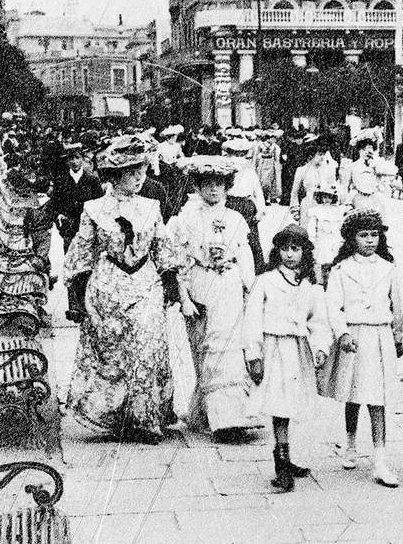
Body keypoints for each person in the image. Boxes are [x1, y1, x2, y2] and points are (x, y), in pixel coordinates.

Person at [62, 135, 181, 442]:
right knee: (113, 352)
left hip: (144, 284)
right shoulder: (93, 209)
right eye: (131, 172)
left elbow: (163, 248)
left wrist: (171, 286)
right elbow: (81, 253)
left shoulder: (151, 207)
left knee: (145, 348)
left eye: (142, 169)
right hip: (108, 286)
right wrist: (76, 296)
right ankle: (115, 415)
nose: (140, 177)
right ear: (115, 176)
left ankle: (146, 419)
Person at [167, 155, 258, 439]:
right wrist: (184, 298)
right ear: (197, 186)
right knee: (205, 348)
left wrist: (250, 289)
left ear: (228, 186)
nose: (214, 190)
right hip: (201, 283)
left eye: (219, 184)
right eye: (207, 184)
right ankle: (211, 411)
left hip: (229, 285)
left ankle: (231, 417)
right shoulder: (185, 219)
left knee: (231, 349)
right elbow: (180, 262)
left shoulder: (236, 218)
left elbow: (245, 256)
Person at [319, 209, 403, 488]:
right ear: (352, 238)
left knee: (378, 398)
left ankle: (380, 459)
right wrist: (342, 333)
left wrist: (398, 336)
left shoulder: (388, 268)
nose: (370, 240)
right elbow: (333, 305)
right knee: (353, 394)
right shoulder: (341, 270)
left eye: (374, 235)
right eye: (363, 235)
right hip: (354, 335)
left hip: (379, 335)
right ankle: (351, 443)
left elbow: (397, 306)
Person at [243, 224, 331, 492]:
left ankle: (288, 457)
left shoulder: (310, 286)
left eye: (296, 249)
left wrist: (320, 348)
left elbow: (318, 320)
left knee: (292, 406)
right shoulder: (266, 280)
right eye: (285, 249)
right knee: (279, 407)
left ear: (305, 253)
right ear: (277, 251)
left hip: (298, 350)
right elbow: (252, 319)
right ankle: (281, 464)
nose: (290, 255)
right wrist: (253, 354)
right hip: (275, 348)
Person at [50, 142, 106, 321]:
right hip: (69, 229)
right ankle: (74, 307)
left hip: (88, 230)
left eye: (77, 158)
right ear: (67, 162)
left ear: (83, 159)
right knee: (71, 265)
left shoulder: (92, 179)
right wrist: (59, 219)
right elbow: (55, 204)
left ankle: (87, 305)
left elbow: (100, 204)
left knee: (88, 266)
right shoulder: (61, 180)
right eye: (71, 159)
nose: (74, 162)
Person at [224, 137, 267, 274]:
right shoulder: (226, 172)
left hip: (246, 205)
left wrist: (260, 211)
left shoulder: (250, 172)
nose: (239, 158)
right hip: (229, 204)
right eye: (235, 154)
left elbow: (258, 193)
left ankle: (256, 268)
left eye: (242, 154)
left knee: (251, 237)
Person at [306, 182, 345, 287]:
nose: (327, 199)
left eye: (329, 197)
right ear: (320, 197)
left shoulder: (337, 211)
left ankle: (331, 284)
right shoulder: (316, 211)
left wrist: (339, 241)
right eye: (324, 196)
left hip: (333, 240)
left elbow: (339, 228)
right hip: (321, 240)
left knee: (333, 263)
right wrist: (312, 241)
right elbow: (311, 228)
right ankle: (320, 283)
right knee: (321, 262)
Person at [254, 129, 283, 205]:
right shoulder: (260, 145)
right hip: (262, 165)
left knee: (270, 182)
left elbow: (277, 157)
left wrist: (277, 166)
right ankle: (262, 197)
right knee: (262, 181)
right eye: (271, 138)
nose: (273, 139)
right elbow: (256, 156)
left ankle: (269, 198)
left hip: (270, 165)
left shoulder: (275, 147)